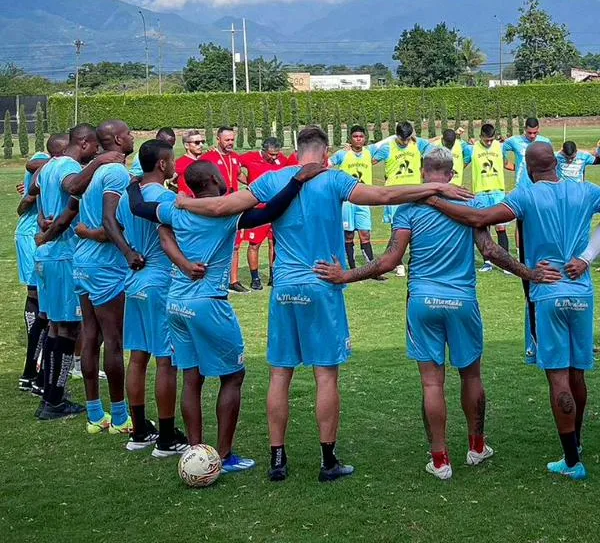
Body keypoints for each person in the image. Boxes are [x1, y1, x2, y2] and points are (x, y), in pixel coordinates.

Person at [175, 125, 473, 483]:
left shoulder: (274, 179)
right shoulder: (335, 180)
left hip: (284, 287)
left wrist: (184, 201)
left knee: (280, 374)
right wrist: (436, 186)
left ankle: (278, 460)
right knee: (325, 374)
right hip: (322, 283)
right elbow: (381, 195)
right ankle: (327, 461)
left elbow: (223, 205)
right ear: (326, 149)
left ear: (297, 150)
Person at [314, 147, 560, 480]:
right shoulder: (470, 204)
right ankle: (476, 446)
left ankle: (441, 459)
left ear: (421, 169)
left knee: (432, 384)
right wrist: (528, 273)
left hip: (422, 303)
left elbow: (390, 260)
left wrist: (346, 276)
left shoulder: (409, 208)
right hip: (462, 302)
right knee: (471, 376)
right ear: (452, 172)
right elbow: (490, 250)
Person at [127, 159, 326, 471]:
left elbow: (139, 207)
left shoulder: (176, 208)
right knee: (232, 376)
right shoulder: (225, 214)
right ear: (212, 179)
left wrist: (132, 182)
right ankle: (224, 454)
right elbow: (270, 211)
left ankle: (195, 451)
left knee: (191, 377)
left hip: (176, 303)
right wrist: (296, 181)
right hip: (208, 303)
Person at [422, 142, 600, 481]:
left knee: (559, 377)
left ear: (530, 170)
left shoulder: (526, 196)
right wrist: (586, 257)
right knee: (578, 374)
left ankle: (572, 462)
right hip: (582, 292)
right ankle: (575, 443)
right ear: (559, 165)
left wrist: (433, 198)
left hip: (546, 295)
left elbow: (478, 218)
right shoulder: (586, 190)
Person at [32, 124, 123, 420]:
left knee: (57, 327)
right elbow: (73, 188)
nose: (97, 152)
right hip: (63, 255)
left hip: (49, 255)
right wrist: (98, 163)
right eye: (94, 147)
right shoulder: (69, 167)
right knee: (69, 328)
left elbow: (38, 187)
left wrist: (45, 230)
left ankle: (50, 394)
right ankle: (54, 400)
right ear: (83, 143)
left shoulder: (48, 166)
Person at [114, 140, 193, 455]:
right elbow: (175, 237)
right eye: (172, 160)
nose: (174, 164)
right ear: (163, 164)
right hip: (160, 282)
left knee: (138, 356)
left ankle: (138, 431)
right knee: (166, 361)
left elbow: (118, 227)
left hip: (132, 282)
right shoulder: (166, 199)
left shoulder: (124, 198)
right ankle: (166, 436)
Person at [72, 120, 138, 435]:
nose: (132, 136)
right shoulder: (114, 173)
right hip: (105, 268)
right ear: (116, 138)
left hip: (82, 263)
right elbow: (110, 223)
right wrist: (128, 252)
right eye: (127, 133)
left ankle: (95, 415)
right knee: (113, 341)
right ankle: (121, 417)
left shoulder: (93, 173)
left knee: (91, 337)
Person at [15, 134, 67, 393]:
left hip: (43, 236)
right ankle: (33, 371)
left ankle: (34, 372)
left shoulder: (59, 166)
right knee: (39, 303)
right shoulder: (49, 162)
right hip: (34, 236)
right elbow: (30, 165)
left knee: (44, 308)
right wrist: (27, 200)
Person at [372, 121, 435, 276]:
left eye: (408, 138)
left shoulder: (418, 144)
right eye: (402, 139)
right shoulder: (388, 147)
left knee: (416, 228)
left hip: (414, 193)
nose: (405, 142)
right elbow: (370, 159)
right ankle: (397, 263)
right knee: (397, 230)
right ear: (397, 135)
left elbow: (433, 150)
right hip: (394, 195)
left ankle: (412, 261)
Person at [328, 125, 385, 278]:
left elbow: (389, 142)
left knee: (365, 234)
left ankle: (372, 270)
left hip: (364, 200)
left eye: (361, 136)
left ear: (365, 138)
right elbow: (326, 164)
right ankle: (352, 269)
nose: (358, 139)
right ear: (350, 139)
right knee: (348, 235)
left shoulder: (369, 152)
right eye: (355, 137)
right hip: (347, 201)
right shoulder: (342, 154)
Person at [202, 126, 248, 293]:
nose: (230, 143)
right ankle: (209, 277)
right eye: (227, 140)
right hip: (217, 205)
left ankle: (233, 280)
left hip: (234, 205)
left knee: (235, 243)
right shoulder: (209, 158)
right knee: (214, 242)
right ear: (218, 139)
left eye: (232, 140)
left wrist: (253, 181)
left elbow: (239, 175)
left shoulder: (235, 157)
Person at [240, 137, 288, 290]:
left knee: (275, 243)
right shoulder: (250, 157)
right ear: (263, 150)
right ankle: (255, 278)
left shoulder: (282, 160)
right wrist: (248, 181)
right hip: (258, 209)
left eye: (276, 154)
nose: (274, 157)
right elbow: (234, 167)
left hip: (277, 208)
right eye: (271, 155)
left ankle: (274, 276)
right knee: (255, 244)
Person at [470, 124, 511, 273]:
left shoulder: (499, 146)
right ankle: (488, 262)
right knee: (483, 229)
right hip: (480, 192)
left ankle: (505, 264)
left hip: (498, 191)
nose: (489, 143)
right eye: (486, 140)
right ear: (480, 136)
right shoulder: (473, 148)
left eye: (491, 140)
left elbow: (508, 159)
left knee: (501, 227)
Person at [503, 117, 552, 188]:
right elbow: (499, 150)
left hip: (540, 185)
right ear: (525, 129)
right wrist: (508, 165)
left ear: (538, 129)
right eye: (529, 133)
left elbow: (551, 162)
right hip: (521, 185)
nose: (532, 135)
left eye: (535, 133)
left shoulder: (545, 142)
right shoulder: (514, 141)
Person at [175, 130, 205, 196]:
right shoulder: (179, 164)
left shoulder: (204, 161)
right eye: (197, 142)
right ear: (186, 145)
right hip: (187, 203)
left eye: (202, 142)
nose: (201, 145)